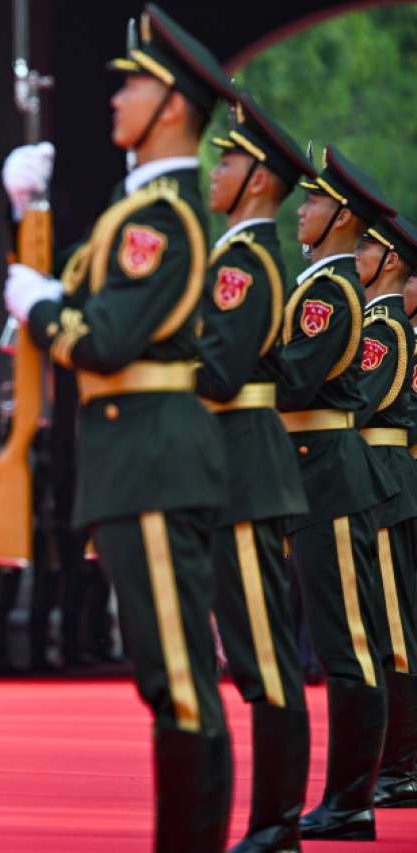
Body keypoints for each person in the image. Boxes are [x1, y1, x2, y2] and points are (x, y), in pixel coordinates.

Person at [3, 6, 235, 849]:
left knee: (179, 679)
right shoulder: (133, 208)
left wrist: (39, 309)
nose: (115, 99)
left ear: (171, 105)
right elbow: (68, 286)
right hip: (134, 456)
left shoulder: (161, 218)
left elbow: (100, 336)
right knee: (163, 676)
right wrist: (20, 217)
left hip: (152, 456)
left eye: (132, 86)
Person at [197, 93, 314, 851]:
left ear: (261, 180)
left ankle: (277, 822)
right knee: (254, 655)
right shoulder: (237, 256)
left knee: (265, 657)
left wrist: (141, 353)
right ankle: (274, 819)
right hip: (232, 469)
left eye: (230, 163)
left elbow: (218, 371)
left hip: (242, 470)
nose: (216, 173)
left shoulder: (242, 262)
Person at [281, 146, 396, 841]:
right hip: (313, 472)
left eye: (315, 202)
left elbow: (294, 381)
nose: (303, 211)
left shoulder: (328, 292)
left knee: (348, 645)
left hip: (327, 474)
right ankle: (348, 794)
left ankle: (352, 799)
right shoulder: (322, 285)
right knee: (339, 643)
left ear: (343, 216)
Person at [354, 214, 417, 809]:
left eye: (366, 249)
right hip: (385, 481)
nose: (357, 256)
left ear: (390, 261)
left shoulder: (383, 327)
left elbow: (355, 406)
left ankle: (401, 768)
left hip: (384, 485)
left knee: (395, 634)